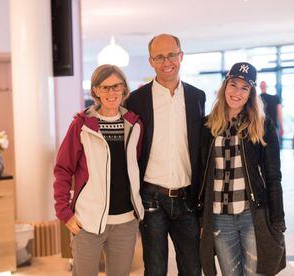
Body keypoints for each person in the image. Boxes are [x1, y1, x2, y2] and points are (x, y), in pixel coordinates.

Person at [125, 34, 206, 276]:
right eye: (159, 57)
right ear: (151, 61)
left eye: (171, 55)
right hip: (152, 198)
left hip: (188, 199)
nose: (166, 62)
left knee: (192, 268)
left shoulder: (197, 97)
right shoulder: (136, 100)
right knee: (155, 269)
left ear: (181, 56)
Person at [53, 64, 144, 276]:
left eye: (116, 86)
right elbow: (63, 169)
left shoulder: (135, 125)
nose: (111, 93)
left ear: (124, 88)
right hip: (88, 222)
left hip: (125, 222)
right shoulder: (81, 126)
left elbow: (136, 166)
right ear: (95, 91)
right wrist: (64, 212)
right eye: (105, 88)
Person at [198, 62, 286, 276]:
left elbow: (273, 176)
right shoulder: (208, 126)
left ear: (251, 93)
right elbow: (200, 174)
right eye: (233, 84)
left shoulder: (262, 125)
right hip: (220, 217)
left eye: (244, 88)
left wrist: (278, 220)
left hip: (252, 214)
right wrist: (201, 217)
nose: (237, 92)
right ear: (225, 86)